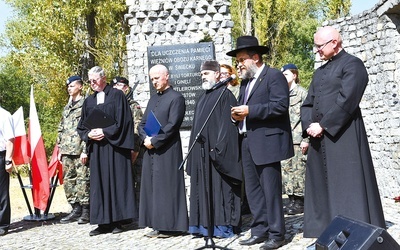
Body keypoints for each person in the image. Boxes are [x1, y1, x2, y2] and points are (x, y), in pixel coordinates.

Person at [300, 26, 386, 238]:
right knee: (321, 187)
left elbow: (348, 100)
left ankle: (352, 232)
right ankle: (326, 231)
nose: (316, 50)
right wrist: (309, 127)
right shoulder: (319, 72)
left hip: (343, 136)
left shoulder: (353, 65)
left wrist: (324, 125)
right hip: (319, 139)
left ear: (334, 43)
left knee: (347, 184)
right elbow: (308, 103)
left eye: (319, 46)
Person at [228, 36, 294, 249]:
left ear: (255, 57)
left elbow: (280, 106)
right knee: (254, 191)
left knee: (270, 190)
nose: (238, 64)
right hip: (247, 141)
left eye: (241, 59)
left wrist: (250, 111)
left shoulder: (273, 76)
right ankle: (259, 230)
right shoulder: (246, 83)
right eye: (237, 60)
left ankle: (277, 234)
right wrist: (236, 116)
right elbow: (244, 109)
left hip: (268, 143)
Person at [77, 66, 136, 236]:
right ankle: (103, 222)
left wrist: (104, 131)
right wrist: (89, 134)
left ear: (104, 78)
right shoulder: (89, 101)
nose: (92, 83)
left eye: (94, 79)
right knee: (99, 185)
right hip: (97, 149)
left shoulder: (117, 96)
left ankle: (119, 220)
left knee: (116, 182)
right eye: (90, 81)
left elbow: (124, 121)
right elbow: (81, 126)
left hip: (115, 147)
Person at [186, 60, 242, 238]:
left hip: (216, 155)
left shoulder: (225, 95)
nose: (204, 77)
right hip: (201, 154)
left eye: (207, 73)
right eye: (202, 74)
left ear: (217, 74)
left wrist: (218, 150)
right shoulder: (202, 98)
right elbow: (196, 128)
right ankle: (203, 226)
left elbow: (228, 127)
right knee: (202, 190)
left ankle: (222, 226)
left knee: (219, 189)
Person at [138, 64, 188, 238]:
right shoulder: (153, 99)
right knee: (153, 187)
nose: (154, 82)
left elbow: (173, 126)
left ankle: (171, 226)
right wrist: (144, 138)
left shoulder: (177, 98)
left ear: (166, 76)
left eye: (157, 78)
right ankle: (157, 224)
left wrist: (154, 141)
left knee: (167, 187)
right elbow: (142, 123)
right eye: (152, 79)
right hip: (150, 149)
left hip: (167, 149)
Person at [57, 75, 90, 224]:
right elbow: (61, 128)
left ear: (80, 87)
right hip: (66, 150)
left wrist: (85, 150)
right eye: (68, 86)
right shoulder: (67, 107)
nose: (69, 88)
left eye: (72, 86)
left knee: (83, 180)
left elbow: (88, 128)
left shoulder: (86, 105)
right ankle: (75, 208)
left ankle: (86, 210)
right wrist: (59, 148)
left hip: (79, 150)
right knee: (69, 180)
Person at [280, 64, 309, 215]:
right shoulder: (282, 94)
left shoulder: (302, 93)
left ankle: (300, 202)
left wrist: (307, 139)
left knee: (299, 171)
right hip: (286, 139)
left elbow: (309, 117)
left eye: (286, 74)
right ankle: (291, 199)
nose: (283, 77)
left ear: (294, 75)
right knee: (287, 171)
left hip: (298, 138)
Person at [112, 76, 144, 212]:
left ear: (126, 88)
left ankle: (138, 211)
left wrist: (135, 150)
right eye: (113, 87)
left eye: (118, 86)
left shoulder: (133, 106)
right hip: (121, 150)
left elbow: (137, 129)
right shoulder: (114, 106)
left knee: (136, 181)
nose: (115, 89)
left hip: (132, 149)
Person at [0, 100, 14, 236]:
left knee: (2, 192)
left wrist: (8, 160)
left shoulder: (4, 115)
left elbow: (10, 140)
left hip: (1, 155)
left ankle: (3, 224)